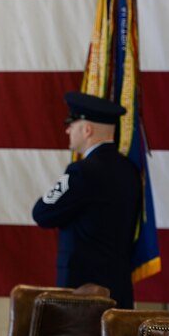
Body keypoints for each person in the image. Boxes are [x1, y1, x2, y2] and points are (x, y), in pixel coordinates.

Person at [32, 91, 142, 309]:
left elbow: (42, 213)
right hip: (119, 291)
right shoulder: (130, 170)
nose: (67, 130)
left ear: (87, 129)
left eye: (72, 125)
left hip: (83, 295)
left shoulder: (83, 172)